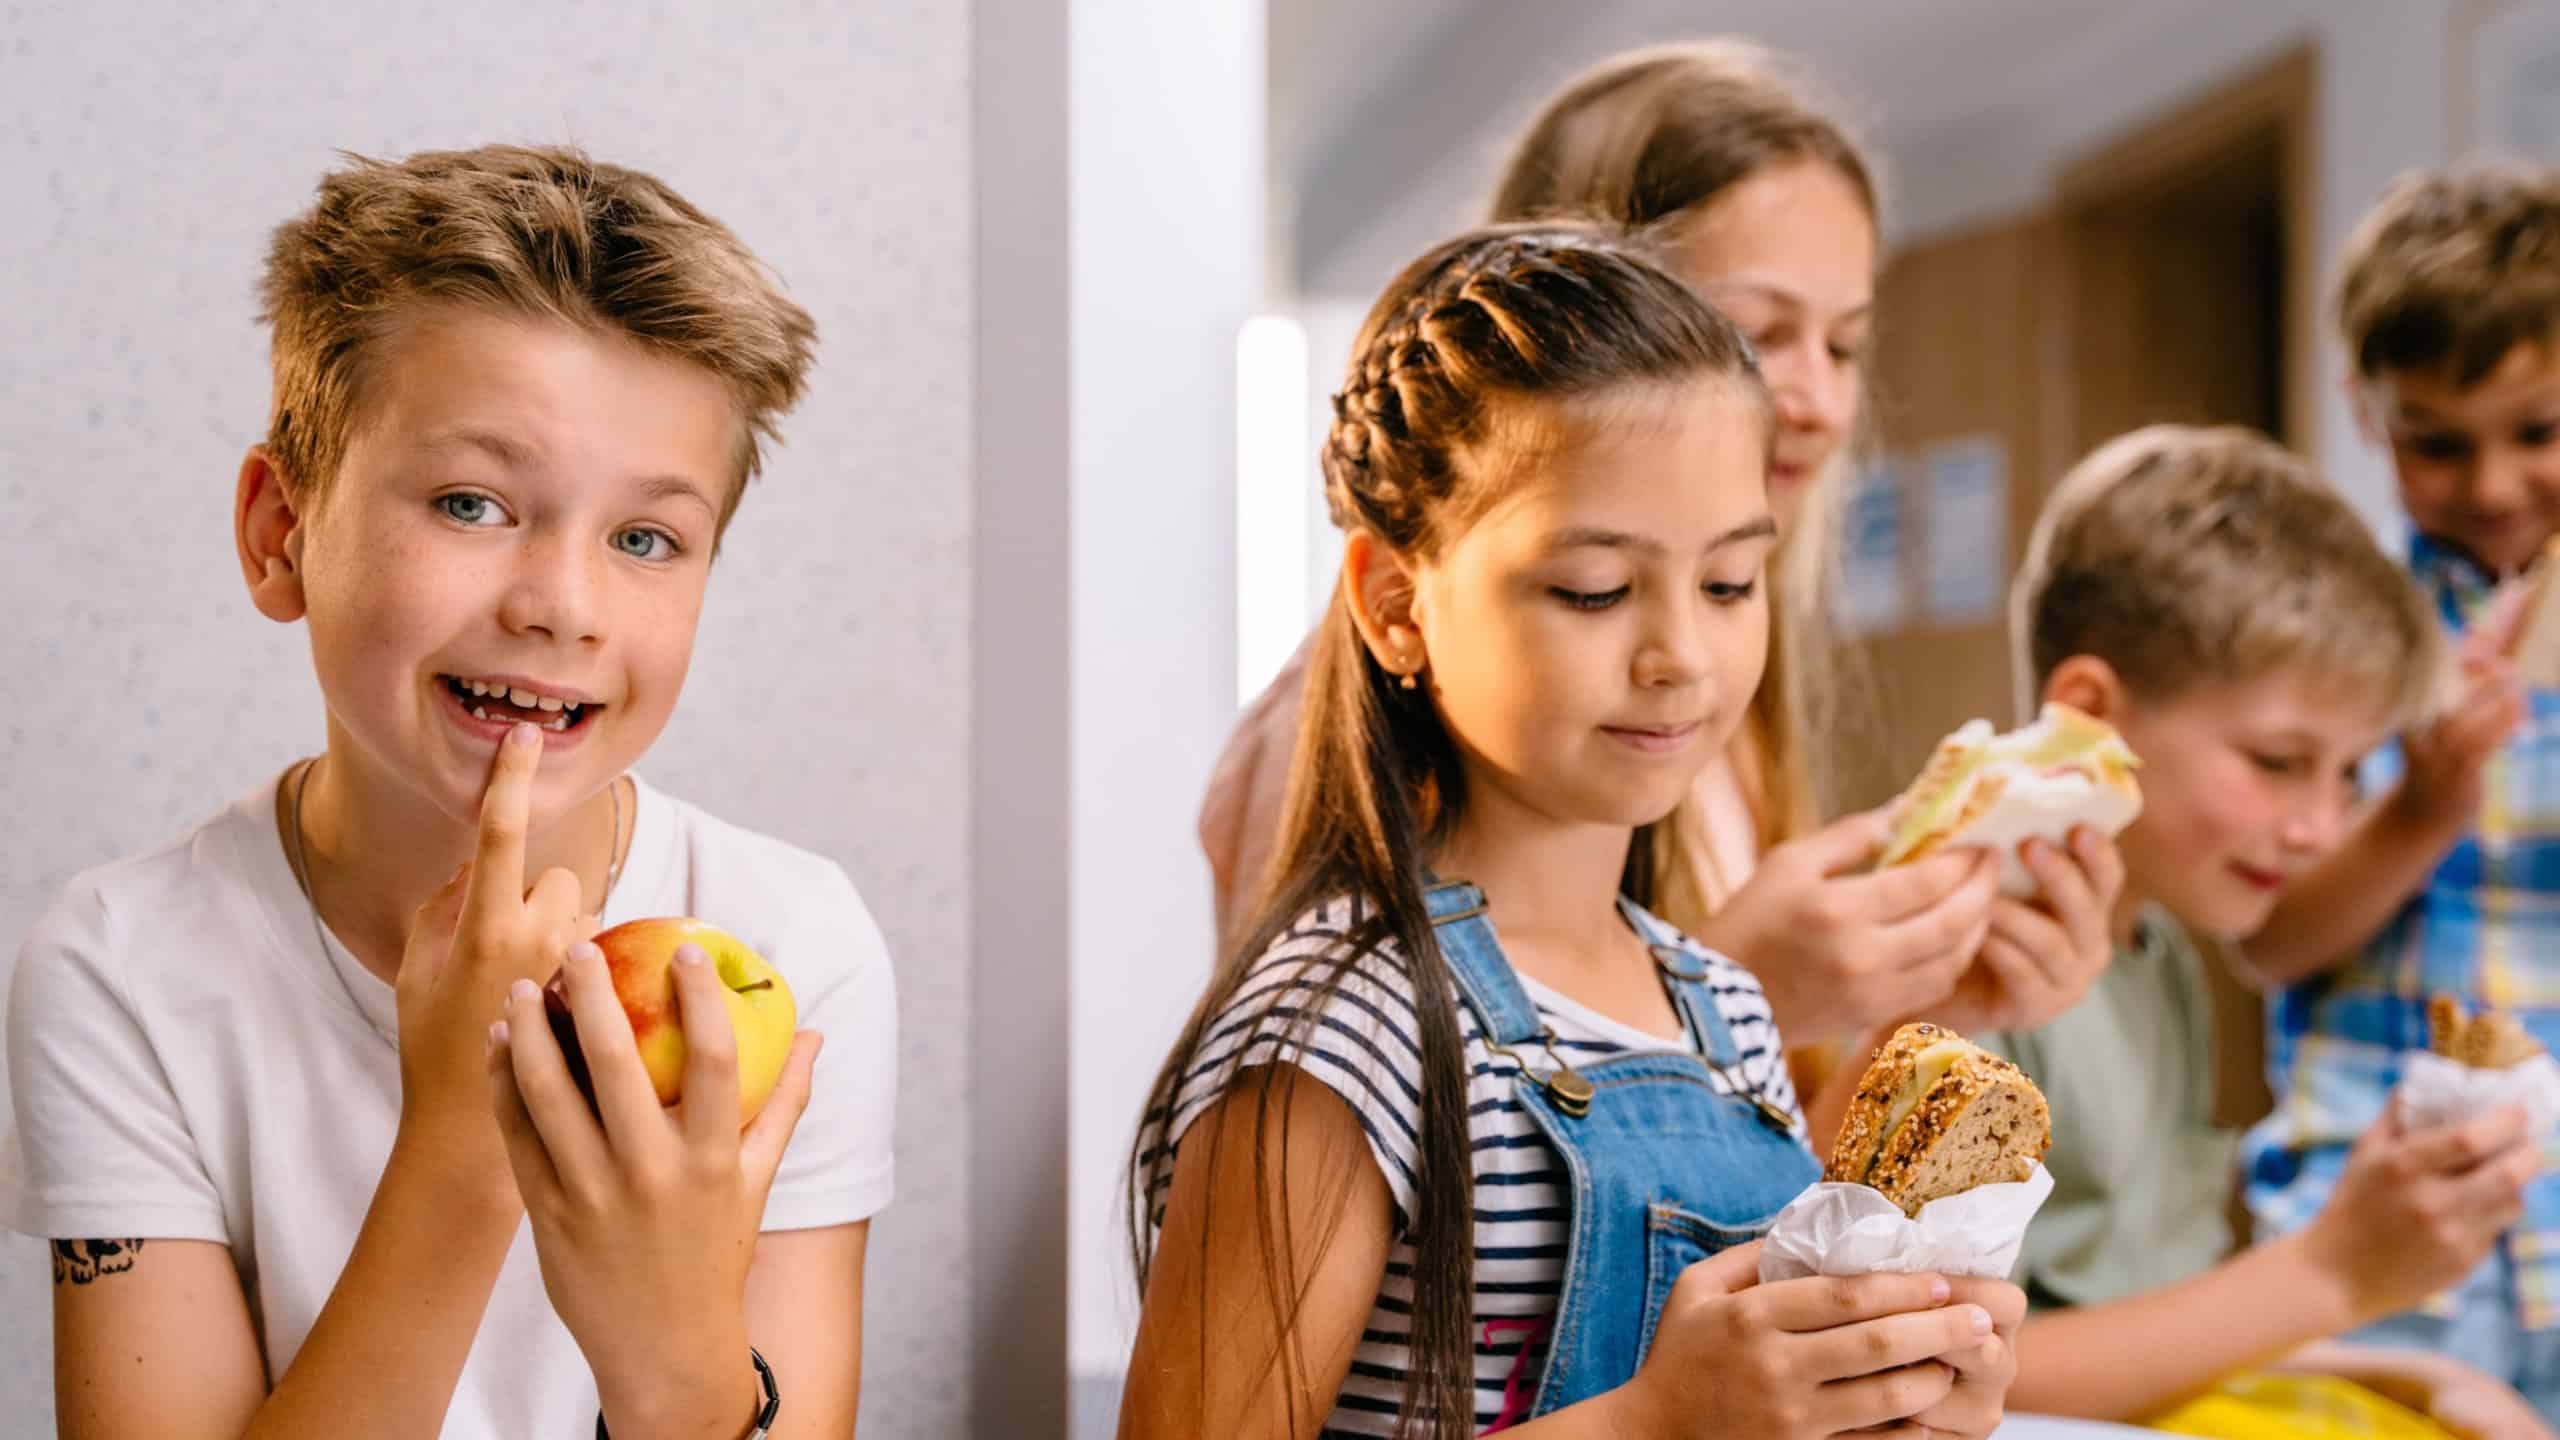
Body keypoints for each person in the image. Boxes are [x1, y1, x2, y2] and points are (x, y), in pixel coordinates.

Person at [2, 144, 896, 1438]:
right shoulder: (124, 971)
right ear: (279, 535)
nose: (562, 606)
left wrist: (676, 1367)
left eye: (645, 537)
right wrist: (464, 1147)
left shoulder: (793, 949)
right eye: (472, 504)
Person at [1121, 223, 2021, 1438]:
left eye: (1727, 583)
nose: (1680, 655)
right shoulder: (1345, 1033)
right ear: (1396, 606)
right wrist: (1651, 1424)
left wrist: (1887, 1395)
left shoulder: (1725, 1009)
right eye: (1593, 590)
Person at [1981, 424, 2543, 1436]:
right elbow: (1942, 1374)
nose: (2321, 828)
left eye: (2347, 773)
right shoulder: (1978, 965)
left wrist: (2413, 1374)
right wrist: (2331, 1269)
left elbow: (2154, 1326)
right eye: (2279, 762)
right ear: (2090, 714)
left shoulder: (2157, 959)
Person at [2240, 161, 2560, 1422]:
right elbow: (2268, 939)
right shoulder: (2326, 632)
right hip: (2372, 1215)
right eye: (2436, 442)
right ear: (2365, 416)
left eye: (2538, 431)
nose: (2490, 486)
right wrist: (2420, 808)